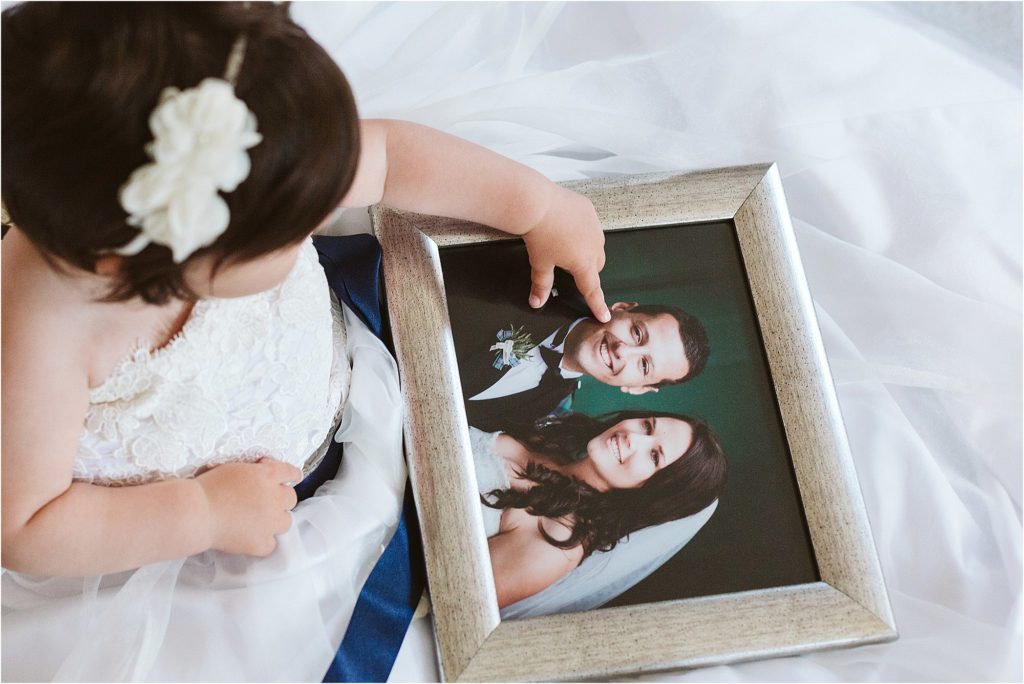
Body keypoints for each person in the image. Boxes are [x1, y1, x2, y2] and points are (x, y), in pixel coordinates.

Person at [0, 3, 609, 680]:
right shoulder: (41, 331)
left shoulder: (264, 158)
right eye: (291, 234)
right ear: (155, 259)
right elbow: (25, 525)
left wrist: (539, 206)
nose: (316, 217)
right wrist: (200, 512)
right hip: (199, 527)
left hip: (338, 379)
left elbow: (391, 156)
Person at [468, 411, 727, 612]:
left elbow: (460, 595)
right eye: (647, 426)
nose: (633, 437)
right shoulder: (551, 444)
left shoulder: (557, 542)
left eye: (654, 456)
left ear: (654, 493)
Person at [443, 245, 711, 431]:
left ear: (638, 388)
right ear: (622, 308)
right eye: (637, 333)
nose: (623, 351)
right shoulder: (545, 272)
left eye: (643, 365)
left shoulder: (548, 409)